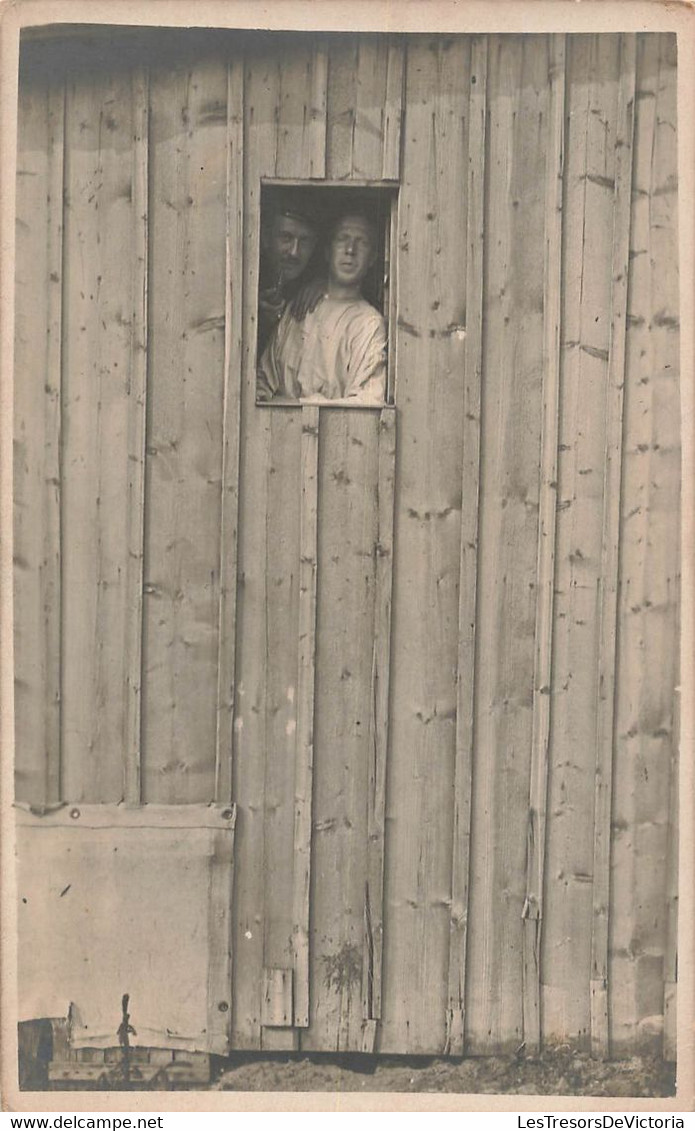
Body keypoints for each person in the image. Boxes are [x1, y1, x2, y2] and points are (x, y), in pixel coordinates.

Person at [257, 211, 387, 405]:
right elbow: (261, 384)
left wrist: (296, 405)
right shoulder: (299, 309)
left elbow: (368, 401)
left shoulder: (369, 324)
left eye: (362, 242)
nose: (350, 250)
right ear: (327, 251)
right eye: (342, 239)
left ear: (372, 258)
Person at [257, 201, 323, 355]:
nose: (294, 252)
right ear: (266, 238)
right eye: (286, 238)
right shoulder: (248, 279)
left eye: (304, 241)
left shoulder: (313, 285)